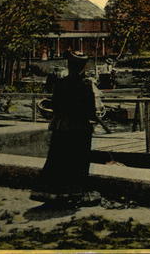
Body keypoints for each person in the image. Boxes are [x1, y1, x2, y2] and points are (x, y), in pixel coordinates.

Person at [31, 51, 100, 207]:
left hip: (61, 126)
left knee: (58, 158)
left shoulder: (61, 83)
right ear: (83, 67)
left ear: (69, 66)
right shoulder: (86, 84)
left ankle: (54, 192)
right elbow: (90, 110)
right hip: (78, 127)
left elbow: (54, 105)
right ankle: (76, 193)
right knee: (78, 159)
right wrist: (92, 118)